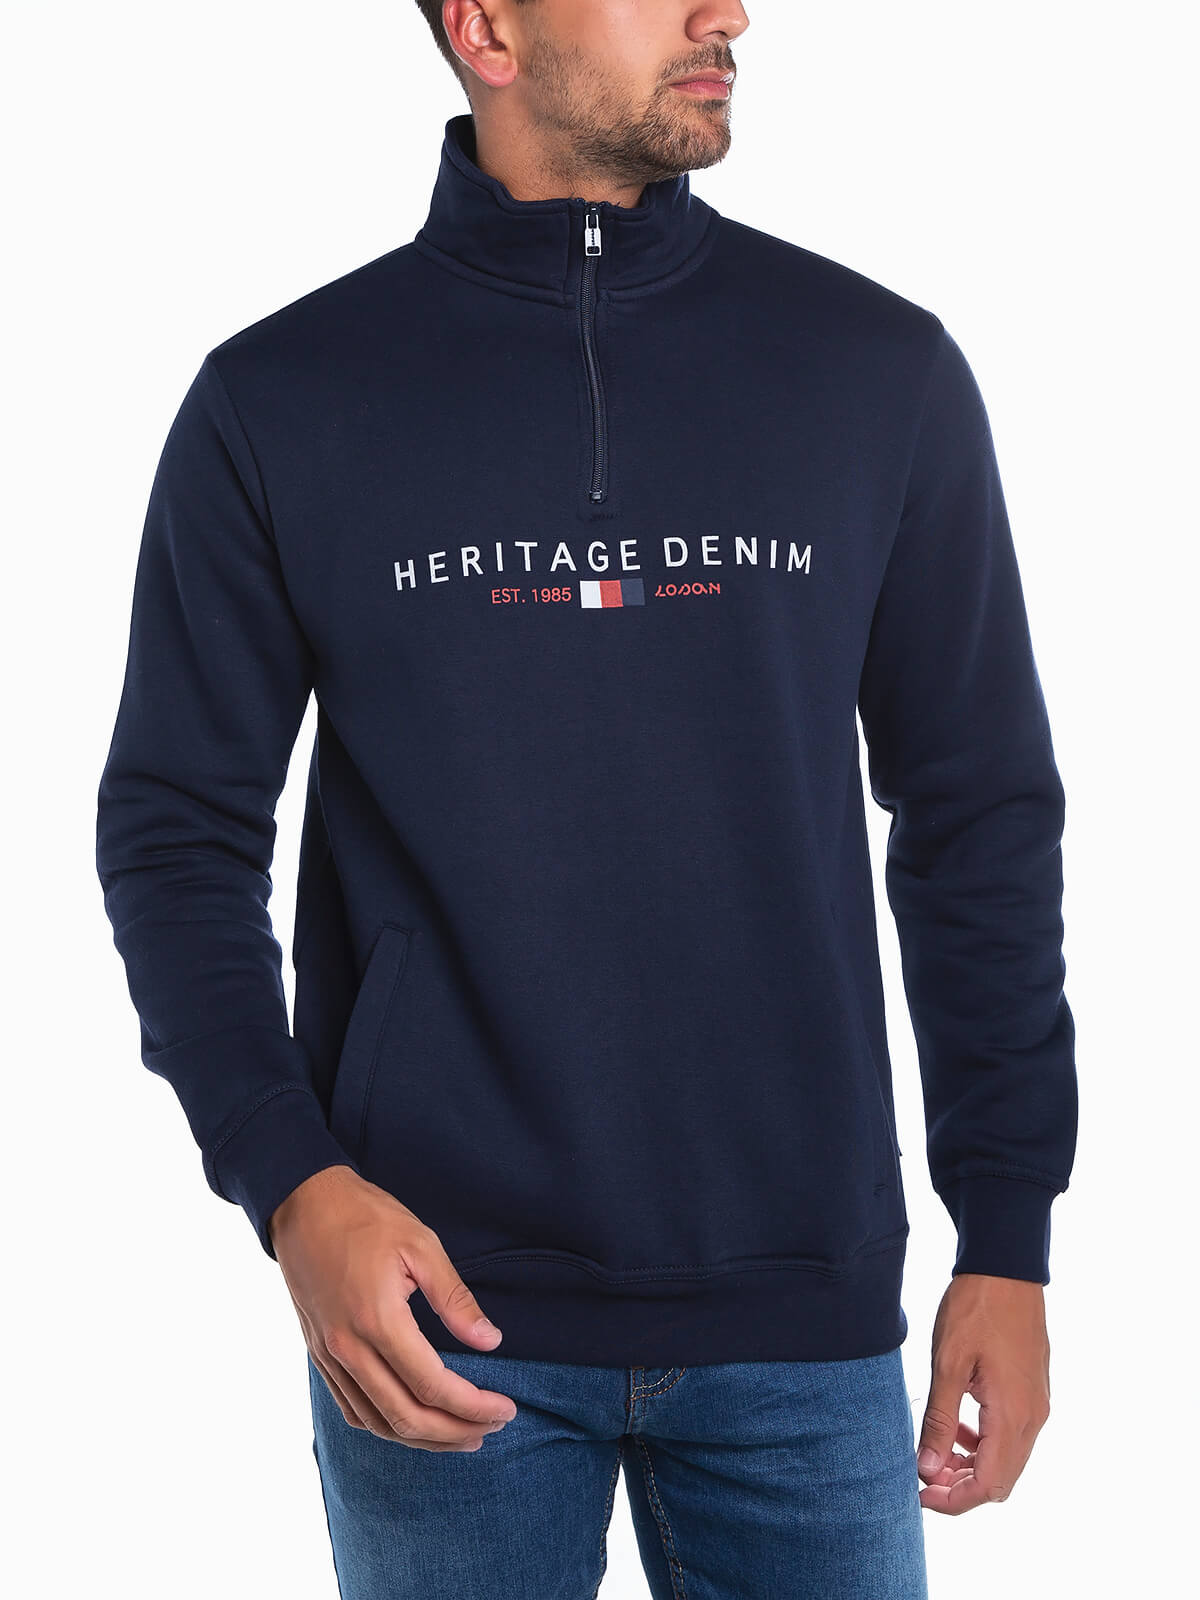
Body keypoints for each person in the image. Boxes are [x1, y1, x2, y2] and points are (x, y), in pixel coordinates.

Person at [94, 1, 1079, 1595]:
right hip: (434, 1311)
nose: (727, 11)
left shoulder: (875, 372)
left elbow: (978, 818)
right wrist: (293, 1187)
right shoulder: (283, 398)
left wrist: (1010, 1236)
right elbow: (176, 833)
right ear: (486, 26)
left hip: (804, 1311)